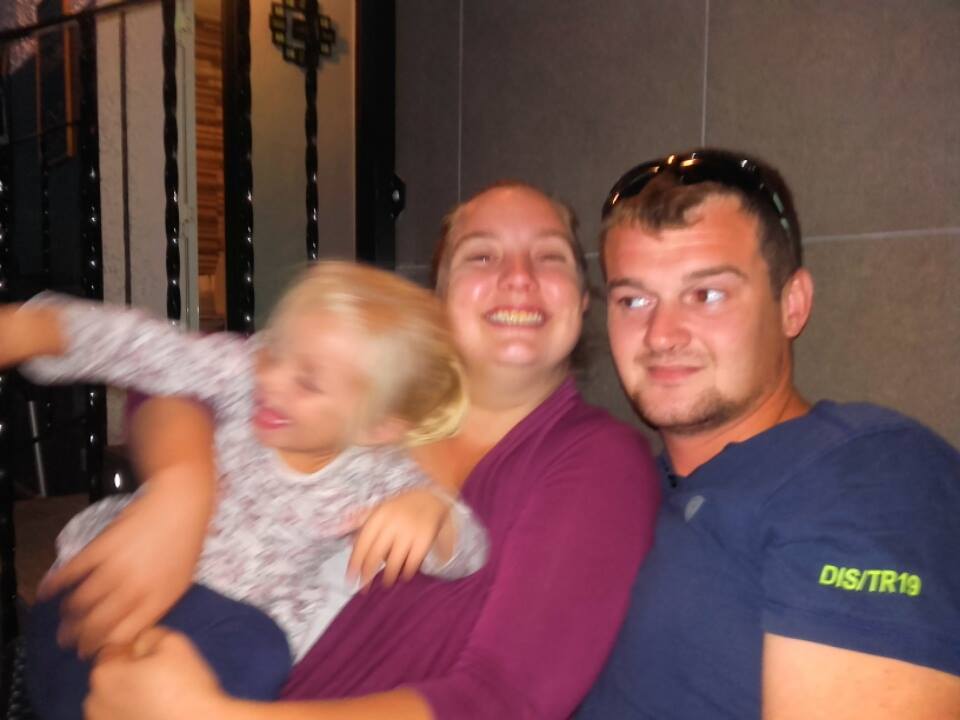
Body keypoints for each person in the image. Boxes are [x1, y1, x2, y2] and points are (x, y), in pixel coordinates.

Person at [49, 181, 661, 719]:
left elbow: (505, 699)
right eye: (482, 255)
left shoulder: (597, 461)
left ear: (583, 300)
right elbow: (178, 377)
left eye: (550, 256)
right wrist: (182, 488)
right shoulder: (367, 387)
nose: (519, 277)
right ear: (438, 299)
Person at [2, 261, 489, 719]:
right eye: (275, 350)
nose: (271, 380)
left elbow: (470, 552)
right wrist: (37, 329)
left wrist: (431, 513)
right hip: (106, 591)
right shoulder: (242, 376)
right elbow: (143, 345)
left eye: (309, 383)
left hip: (211, 636)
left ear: (377, 426)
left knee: (261, 648)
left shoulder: (378, 472)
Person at [577, 148, 960, 718]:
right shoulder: (625, 484)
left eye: (706, 294)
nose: (660, 334)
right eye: (634, 300)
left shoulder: (869, 476)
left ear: (792, 305)